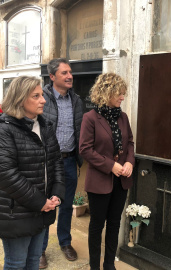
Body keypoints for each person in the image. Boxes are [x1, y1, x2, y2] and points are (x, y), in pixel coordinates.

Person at [0, 76, 65, 270]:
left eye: (42, 95)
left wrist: (56, 194)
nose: (43, 100)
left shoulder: (45, 126)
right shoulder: (5, 129)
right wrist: (41, 202)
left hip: (42, 210)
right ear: (20, 99)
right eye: (36, 96)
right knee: (16, 263)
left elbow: (56, 163)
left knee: (34, 260)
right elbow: (6, 173)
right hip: (17, 213)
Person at [79, 73, 135, 270]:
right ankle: (94, 266)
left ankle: (109, 264)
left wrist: (129, 162)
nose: (122, 97)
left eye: (123, 93)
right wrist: (110, 165)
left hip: (121, 181)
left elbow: (129, 143)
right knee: (97, 227)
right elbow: (85, 149)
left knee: (114, 224)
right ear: (107, 92)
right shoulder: (90, 118)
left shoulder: (123, 117)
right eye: (119, 93)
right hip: (99, 182)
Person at [40, 58, 84, 268]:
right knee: (45, 205)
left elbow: (81, 130)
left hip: (68, 161)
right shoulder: (42, 98)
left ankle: (65, 242)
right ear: (52, 77)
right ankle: (40, 249)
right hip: (47, 163)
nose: (69, 76)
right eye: (64, 73)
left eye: (70, 72)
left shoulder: (76, 100)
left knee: (66, 205)